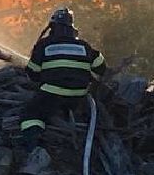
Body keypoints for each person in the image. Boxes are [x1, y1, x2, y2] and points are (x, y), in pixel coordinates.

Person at [19, 8, 106, 150]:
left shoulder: (44, 45)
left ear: (52, 27)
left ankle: (33, 144)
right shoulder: (84, 46)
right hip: (78, 97)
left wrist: (46, 75)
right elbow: (101, 68)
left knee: (30, 113)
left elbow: (32, 72)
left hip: (52, 95)